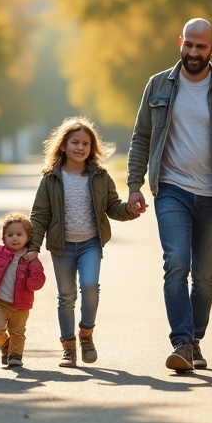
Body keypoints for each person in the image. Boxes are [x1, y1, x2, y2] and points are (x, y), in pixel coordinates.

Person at [127, 18, 212, 372]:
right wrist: (134, 184)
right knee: (176, 265)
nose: (194, 53)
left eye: (202, 47)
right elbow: (140, 138)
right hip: (171, 190)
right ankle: (181, 343)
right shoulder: (157, 86)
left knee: (204, 276)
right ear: (179, 42)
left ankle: (195, 339)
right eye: (189, 45)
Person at [29, 116, 139, 367]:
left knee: (90, 286)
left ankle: (86, 335)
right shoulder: (51, 178)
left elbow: (112, 206)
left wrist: (130, 210)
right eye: (75, 142)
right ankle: (68, 348)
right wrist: (33, 247)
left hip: (90, 242)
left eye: (85, 144)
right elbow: (39, 215)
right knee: (66, 296)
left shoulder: (100, 176)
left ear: (92, 149)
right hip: (61, 246)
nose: (80, 147)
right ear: (63, 146)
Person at [0, 212, 47, 367]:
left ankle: (15, 355)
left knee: (18, 332)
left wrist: (32, 282)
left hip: (21, 305)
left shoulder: (30, 258)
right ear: (3, 237)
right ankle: (5, 345)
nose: (15, 238)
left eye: (19, 234)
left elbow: (39, 278)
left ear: (28, 237)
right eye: (10, 235)